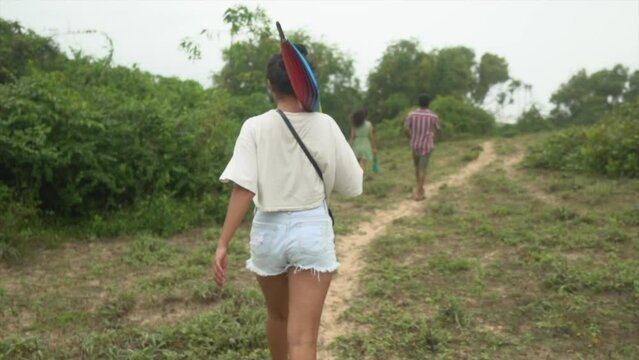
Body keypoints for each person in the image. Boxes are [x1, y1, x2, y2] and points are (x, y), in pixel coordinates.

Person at [213, 45, 363, 360]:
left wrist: (223, 243)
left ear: (270, 86)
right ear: (308, 80)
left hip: (267, 231)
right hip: (311, 229)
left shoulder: (254, 126)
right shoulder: (326, 125)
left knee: (278, 318)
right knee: (303, 340)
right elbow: (353, 186)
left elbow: (243, 188)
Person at [404, 94, 440, 201]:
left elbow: (405, 128)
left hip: (415, 145)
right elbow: (438, 129)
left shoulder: (411, 115)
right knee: (422, 169)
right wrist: (433, 140)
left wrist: (411, 137)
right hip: (427, 145)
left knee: (417, 168)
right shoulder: (433, 116)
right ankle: (419, 193)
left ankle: (420, 189)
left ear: (419, 102)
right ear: (429, 103)